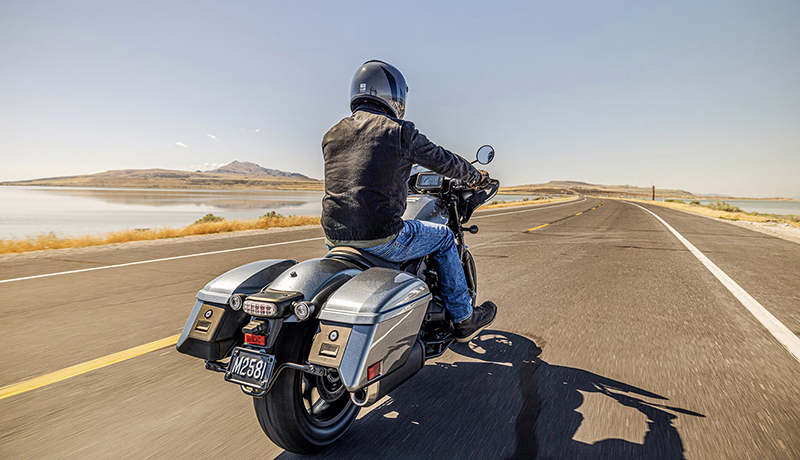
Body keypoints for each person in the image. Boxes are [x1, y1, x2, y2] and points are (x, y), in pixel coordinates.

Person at [321, 60, 496, 343]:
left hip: (334, 238)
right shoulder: (399, 131)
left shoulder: (332, 134)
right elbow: (444, 160)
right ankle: (464, 318)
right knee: (443, 238)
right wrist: (475, 176)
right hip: (381, 236)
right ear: (393, 95)